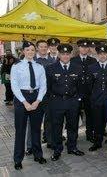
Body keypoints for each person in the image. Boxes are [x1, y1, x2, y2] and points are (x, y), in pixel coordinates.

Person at [11, 41, 47, 170]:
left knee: (36, 129)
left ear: (35, 51)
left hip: (36, 97)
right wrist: (25, 102)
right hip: (22, 99)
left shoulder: (39, 66)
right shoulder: (16, 66)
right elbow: (14, 86)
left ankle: (38, 155)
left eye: (32, 50)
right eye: (28, 50)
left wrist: (37, 101)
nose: (30, 52)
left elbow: (43, 85)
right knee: (20, 131)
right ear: (23, 52)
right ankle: (17, 159)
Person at [47, 44, 85, 161]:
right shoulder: (50, 68)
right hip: (57, 102)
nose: (65, 56)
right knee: (57, 127)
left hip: (72, 102)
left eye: (67, 54)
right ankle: (57, 150)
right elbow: (47, 87)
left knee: (73, 126)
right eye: (63, 54)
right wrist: (51, 101)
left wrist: (78, 99)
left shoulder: (77, 68)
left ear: (71, 55)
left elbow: (81, 86)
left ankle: (72, 147)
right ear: (59, 54)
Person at [87, 45, 107, 151]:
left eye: (104, 54)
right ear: (97, 55)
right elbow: (89, 85)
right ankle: (97, 142)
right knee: (97, 123)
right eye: (100, 54)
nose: (102, 56)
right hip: (97, 100)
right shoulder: (92, 68)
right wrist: (93, 97)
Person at [71, 39, 97, 143]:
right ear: (79, 48)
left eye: (86, 47)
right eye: (82, 47)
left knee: (90, 115)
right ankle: (73, 136)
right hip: (76, 92)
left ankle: (90, 134)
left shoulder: (93, 61)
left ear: (89, 48)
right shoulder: (73, 60)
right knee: (74, 115)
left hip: (89, 93)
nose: (84, 49)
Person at [34, 40, 55, 147]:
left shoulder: (52, 61)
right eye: (41, 47)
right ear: (37, 48)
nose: (43, 48)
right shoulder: (32, 60)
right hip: (34, 95)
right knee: (35, 122)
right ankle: (33, 145)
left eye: (45, 47)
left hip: (48, 95)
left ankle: (49, 141)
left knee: (49, 119)